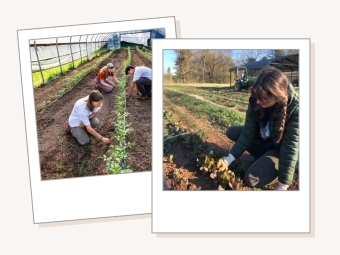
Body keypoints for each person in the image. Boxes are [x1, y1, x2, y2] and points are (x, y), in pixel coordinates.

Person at [216, 66, 299, 191]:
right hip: (266, 142)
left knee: (251, 178)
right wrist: (228, 160)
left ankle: (289, 171)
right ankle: (263, 157)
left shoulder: (295, 109)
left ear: (277, 96)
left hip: (282, 152)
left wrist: (283, 185)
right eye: (257, 97)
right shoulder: (256, 100)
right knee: (232, 131)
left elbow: (290, 149)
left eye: (264, 98)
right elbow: (248, 132)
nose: (258, 102)